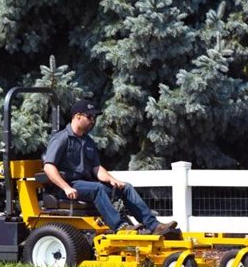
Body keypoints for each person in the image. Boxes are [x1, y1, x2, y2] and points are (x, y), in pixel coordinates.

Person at [43, 99, 178, 235]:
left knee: (126, 188)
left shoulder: (88, 141)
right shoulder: (61, 138)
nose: (93, 121)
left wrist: (113, 180)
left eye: (94, 118)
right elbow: (49, 167)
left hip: (87, 185)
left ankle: (154, 226)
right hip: (67, 186)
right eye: (89, 117)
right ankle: (120, 227)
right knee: (98, 188)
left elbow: (96, 168)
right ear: (78, 116)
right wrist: (66, 187)